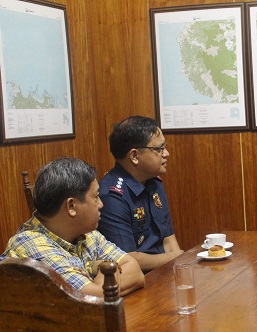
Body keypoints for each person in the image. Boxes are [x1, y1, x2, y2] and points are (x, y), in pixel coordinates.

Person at [3, 157, 145, 297]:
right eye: (96, 197)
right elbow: (92, 300)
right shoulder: (31, 245)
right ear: (71, 206)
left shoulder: (87, 233)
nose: (101, 204)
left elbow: (136, 272)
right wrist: (107, 269)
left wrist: (103, 269)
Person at [98, 116, 183, 273]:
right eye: (159, 149)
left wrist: (180, 268)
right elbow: (128, 258)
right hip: (138, 278)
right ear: (135, 156)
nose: (166, 153)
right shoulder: (112, 197)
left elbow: (168, 240)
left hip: (165, 271)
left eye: (164, 147)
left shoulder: (154, 182)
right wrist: (177, 257)